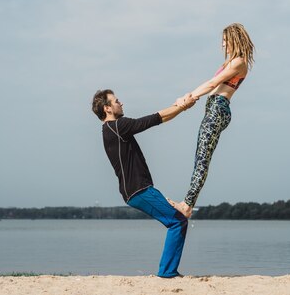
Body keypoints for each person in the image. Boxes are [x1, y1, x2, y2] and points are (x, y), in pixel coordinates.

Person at [91, 89, 197, 278]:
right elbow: (155, 119)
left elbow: (158, 118)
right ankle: (167, 272)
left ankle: (168, 271)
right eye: (116, 101)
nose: (121, 103)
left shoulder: (111, 130)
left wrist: (180, 108)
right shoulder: (117, 127)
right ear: (107, 108)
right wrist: (182, 106)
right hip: (138, 191)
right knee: (177, 222)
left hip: (139, 190)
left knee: (178, 220)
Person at [171, 23, 255, 218]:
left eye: (225, 42)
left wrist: (188, 97)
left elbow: (212, 83)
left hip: (218, 109)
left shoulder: (239, 63)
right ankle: (188, 203)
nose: (222, 46)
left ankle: (187, 205)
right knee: (200, 156)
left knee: (202, 158)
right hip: (214, 108)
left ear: (235, 41)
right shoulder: (231, 63)